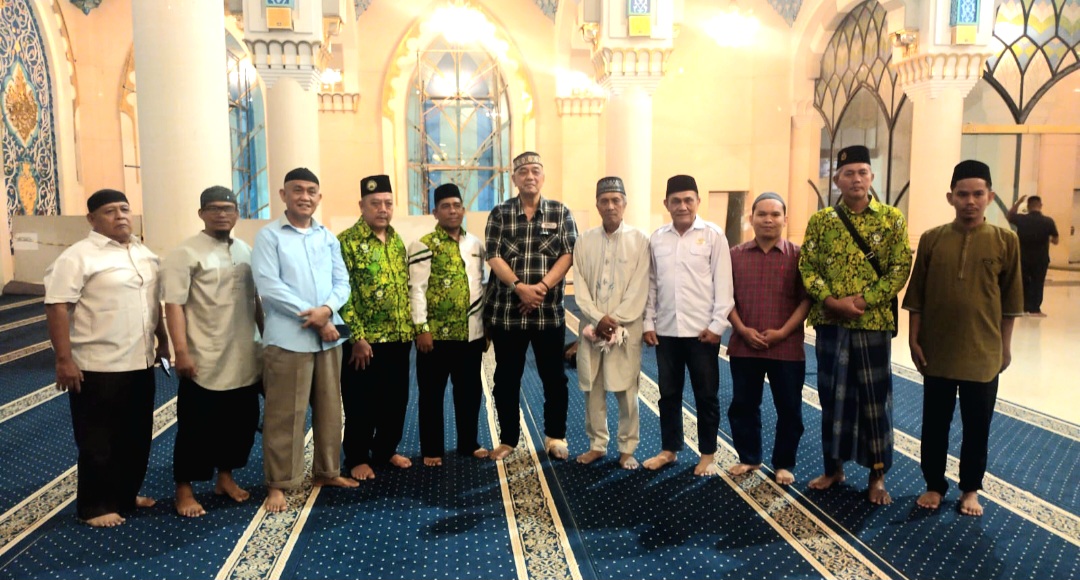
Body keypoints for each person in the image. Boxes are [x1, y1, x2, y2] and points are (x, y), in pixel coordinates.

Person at [44, 189, 170, 527]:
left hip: (140, 361)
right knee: (98, 440)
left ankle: (125, 495)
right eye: (110, 211)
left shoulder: (143, 253)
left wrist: (162, 341)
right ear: (92, 219)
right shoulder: (78, 257)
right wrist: (64, 360)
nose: (120, 216)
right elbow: (56, 306)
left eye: (124, 209)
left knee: (136, 436)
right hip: (97, 364)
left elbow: (152, 304)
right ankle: (95, 507)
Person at [905, 160, 1023, 517]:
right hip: (937, 350)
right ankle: (933, 485)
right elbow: (916, 296)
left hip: (983, 352)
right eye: (962, 194)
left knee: (977, 426)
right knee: (934, 424)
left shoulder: (1006, 240)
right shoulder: (932, 239)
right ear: (950, 197)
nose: (970, 201)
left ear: (990, 196)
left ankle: (970, 489)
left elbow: (1011, 301)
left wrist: (1004, 347)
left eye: (977, 194)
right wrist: (913, 339)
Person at [798, 145, 912, 505]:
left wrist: (863, 301)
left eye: (862, 172)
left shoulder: (892, 219)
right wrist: (832, 302)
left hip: (872, 323)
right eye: (848, 173)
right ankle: (833, 468)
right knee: (832, 397)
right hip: (831, 325)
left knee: (874, 402)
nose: (856, 179)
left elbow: (900, 268)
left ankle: (877, 476)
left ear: (872, 177)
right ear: (837, 180)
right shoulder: (822, 222)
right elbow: (807, 267)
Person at [252, 167, 358, 513]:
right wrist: (314, 318)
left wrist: (326, 310)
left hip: (329, 338)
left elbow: (342, 283)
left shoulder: (327, 237)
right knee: (286, 414)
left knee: (330, 410)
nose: (305, 196)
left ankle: (327, 472)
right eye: (297, 190)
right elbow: (269, 286)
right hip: (288, 339)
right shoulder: (269, 237)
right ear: (283, 195)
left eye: (311, 191)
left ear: (319, 197)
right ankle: (279, 484)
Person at [162, 186, 262, 517]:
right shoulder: (185, 253)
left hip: (244, 353)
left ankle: (225, 478)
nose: (222, 214)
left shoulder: (246, 250)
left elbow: (256, 300)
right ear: (201, 213)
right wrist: (181, 352)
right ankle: (184, 489)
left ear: (237, 213)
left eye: (228, 208)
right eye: (214, 208)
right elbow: (174, 305)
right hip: (203, 354)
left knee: (240, 424)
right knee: (196, 428)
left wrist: (267, 339)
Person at [485, 151, 578, 461]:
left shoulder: (560, 212)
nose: (529, 176)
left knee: (555, 379)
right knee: (505, 380)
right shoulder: (499, 213)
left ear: (543, 176)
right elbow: (493, 255)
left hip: (548, 313)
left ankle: (555, 436)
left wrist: (540, 289)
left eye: (535, 170)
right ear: (514, 178)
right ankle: (509, 439)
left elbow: (568, 254)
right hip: (508, 313)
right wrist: (519, 288)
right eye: (523, 171)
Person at [642, 175, 734, 476]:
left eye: (688, 200)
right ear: (666, 204)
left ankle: (707, 454)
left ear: (697, 201)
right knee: (668, 394)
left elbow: (724, 284)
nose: (682, 206)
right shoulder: (657, 238)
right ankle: (669, 450)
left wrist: (717, 326)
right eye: (676, 201)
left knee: (706, 396)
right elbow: (652, 284)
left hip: (702, 333)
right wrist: (648, 322)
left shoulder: (713, 235)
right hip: (667, 332)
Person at [726, 192, 811, 485]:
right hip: (744, 345)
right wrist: (741, 329)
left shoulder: (799, 256)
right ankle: (749, 457)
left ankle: (784, 463)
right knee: (743, 406)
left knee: (789, 409)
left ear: (785, 219)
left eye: (775, 214)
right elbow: (725, 298)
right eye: (762, 214)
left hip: (786, 348)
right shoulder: (734, 255)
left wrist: (783, 332)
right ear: (751, 219)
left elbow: (806, 300)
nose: (768, 220)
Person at [339, 174, 414, 479]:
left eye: (387, 203)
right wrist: (356, 337)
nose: (383, 209)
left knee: (395, 402)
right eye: (375, 203)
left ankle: (385, 450)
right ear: (362, 205)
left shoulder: (396, 240)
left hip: (399, 336)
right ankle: (357, 456)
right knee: (361, 403)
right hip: (364, 343)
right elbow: (341, 294)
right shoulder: (346, 242)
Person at [408, 183, 489, 467]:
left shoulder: (475, 244)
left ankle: (469, 443)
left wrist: (484, 327)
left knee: (469, 394)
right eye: (445, 206)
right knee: (431, 395)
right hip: (435, 337)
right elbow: (416, 290)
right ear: (435, 212)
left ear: (463, 210)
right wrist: (422, 329)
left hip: (470, 335)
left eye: (456, 205)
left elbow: (480, 286)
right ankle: (432, 449)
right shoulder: (423, 245)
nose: (452, 211)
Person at [572, 177, 650, 470]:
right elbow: (579, 284)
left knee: (627, 389)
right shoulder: (584, 240)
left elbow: (640, 286)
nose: (610, 206)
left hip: (625, 328)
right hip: (592, 328)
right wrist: (597, 318)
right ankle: (597, 444)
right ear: (597, 205)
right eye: (604, 201)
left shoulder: (640, 240)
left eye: (616, 200)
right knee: (593, 387)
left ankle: (627, 448)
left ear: (624, 204)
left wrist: (614, 320)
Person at [1007, 194, 1059, 317]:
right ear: (1040, 205)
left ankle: (1023, 308)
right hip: (1041, 259)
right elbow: (1056, 240)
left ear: (1028, 206)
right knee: (1038, 283)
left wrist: (1018, 202)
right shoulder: (1048, 221)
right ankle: (1035, 309)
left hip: (1023, 258)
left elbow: (1009, 216)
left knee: (1023, 282)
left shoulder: (1021, 219)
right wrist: (1048, 238)